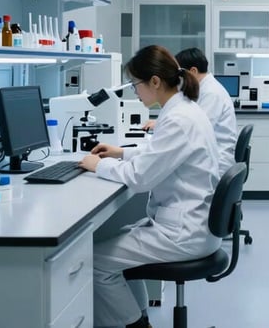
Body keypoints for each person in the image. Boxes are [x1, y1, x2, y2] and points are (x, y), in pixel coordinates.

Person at [80, 45, 221, 328]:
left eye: (136, 85)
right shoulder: (183, 109)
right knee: (114, 245)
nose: (135, 92)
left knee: (94, 262)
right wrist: (121, 153)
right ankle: (140, 315)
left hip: (184, 233)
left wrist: (99, 166)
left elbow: (141, 178)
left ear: (155, 81)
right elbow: (162, 155)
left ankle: (136, 325)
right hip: (190, 223)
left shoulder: (178, 119)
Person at [143, 47, 238, 176]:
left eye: (180, 73)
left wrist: (163, 125)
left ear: (193, 71)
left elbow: (196, 127)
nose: (177, 78)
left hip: (217, 163)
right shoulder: (206, 88)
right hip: (210, 156)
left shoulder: (211, 93)